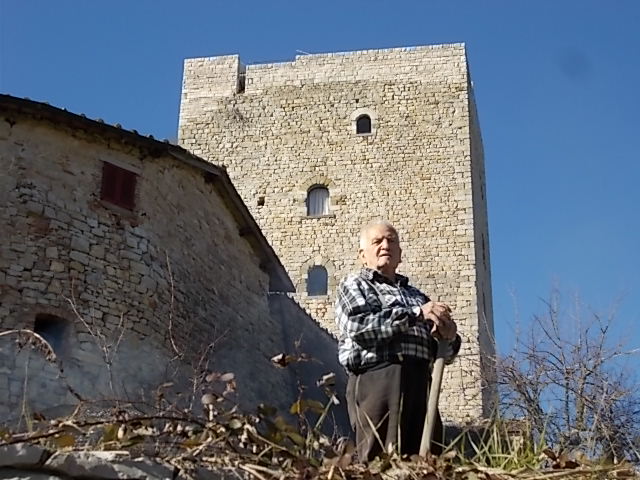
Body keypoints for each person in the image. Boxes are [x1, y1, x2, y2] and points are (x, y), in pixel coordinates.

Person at [335, 220, 461, 461]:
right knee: (382, 460)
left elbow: (443, 353)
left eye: (391, 240)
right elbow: (359, 327)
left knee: (427, 462)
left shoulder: (418, 296)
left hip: (421, 383)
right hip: (378, 378)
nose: (385, 245)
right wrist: (415, 315)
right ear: (362, 255)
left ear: (400, 254)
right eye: (377, 241)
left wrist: (449, 336)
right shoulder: (356, 284)